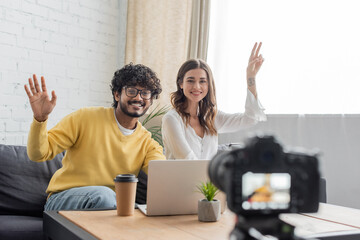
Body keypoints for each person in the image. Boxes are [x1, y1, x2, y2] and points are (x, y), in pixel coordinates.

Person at [24, 63, 165, 211]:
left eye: (145, 93)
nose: (138, 97)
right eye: (131, 91)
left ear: (150, 100)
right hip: (62, 200)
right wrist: (40, 119)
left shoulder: (148, 143)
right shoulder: (85, 118)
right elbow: (38, 154)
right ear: (117, 94)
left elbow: (163, 174)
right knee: (104, 196)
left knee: (133, 211)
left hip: (109, 209)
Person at [162, 42, 266, 160]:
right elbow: (187, 160)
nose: (197, 86)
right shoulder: (171, 119)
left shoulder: (212, 116)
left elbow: (250, 119)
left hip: (208, 178)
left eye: (202, 81)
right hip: (183, 178)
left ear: (208, 85)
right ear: (181, 84)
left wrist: (250, 77)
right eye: (190, 81)